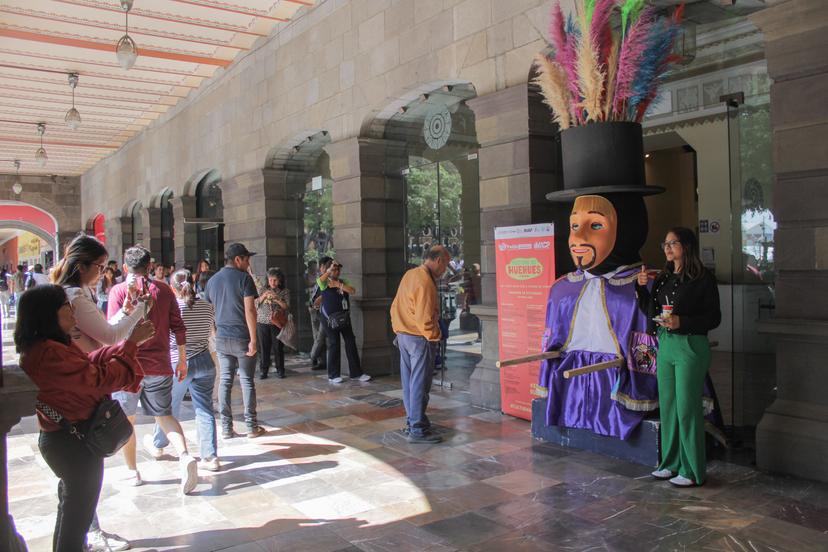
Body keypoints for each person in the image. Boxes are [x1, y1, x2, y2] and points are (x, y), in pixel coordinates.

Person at [16, 284, 155, 552]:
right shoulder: (48, 353)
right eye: (65, 307)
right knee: (76, 517)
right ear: (48, 315)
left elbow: (86, 364)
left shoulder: (49, 347)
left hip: (66, 439)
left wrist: (124, 346)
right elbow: (97, 379)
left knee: (72, 511)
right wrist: (131, 345)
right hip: (71, 443)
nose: (72, 312)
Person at [51, 234, 148, 551]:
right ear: (81, 266)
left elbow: (102, 331)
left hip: (77, 387)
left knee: (78, 485)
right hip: (80, 391)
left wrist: (127, 312)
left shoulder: (73, 294)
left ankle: (84, 534)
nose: (104, 273)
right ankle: (87, 535)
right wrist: (138, 312)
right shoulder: (75, 296)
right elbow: (108, 337)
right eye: (100, 266)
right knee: (83, 482)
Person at [107, 245, 199, 494]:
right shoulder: (165, 290)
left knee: (127, 419)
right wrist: (181, 360)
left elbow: (112, 333)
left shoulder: (117, 291)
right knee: (164, 415)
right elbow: (179, 327)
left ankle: (132, 472)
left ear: (125, 267)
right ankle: (184, 456)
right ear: (149, 267)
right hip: (159, 364)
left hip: (128, 366)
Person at [637, 227, 721, 487]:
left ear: (686, 246)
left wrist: (681, 321)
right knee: (669, 406)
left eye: (673, 243)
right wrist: (641, 289)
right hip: (666, 344)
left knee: (687, 407)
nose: (668, 247)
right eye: (665, 243)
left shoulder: (702, 278)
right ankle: (670, 463)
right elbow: (650, 310)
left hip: (690, 345)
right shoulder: (663, 278)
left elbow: (714, 318)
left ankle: (692, 469)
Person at [147, 270, 220, 472]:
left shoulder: (172, 308)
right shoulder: (207, 306)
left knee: (167, 407)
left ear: (172, 287)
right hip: (204, 360)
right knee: (204, 410)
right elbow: (211, 334)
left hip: (178, 362)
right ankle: (210, 457)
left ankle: (159, 445)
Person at [202, 243, 266, 439]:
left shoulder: (212, 281)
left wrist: (214, 333)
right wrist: (254, 339)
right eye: (246, 259)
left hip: (222, 338)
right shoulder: (244, 279)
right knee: (246, 380)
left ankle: (227, 428)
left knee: (225, 381)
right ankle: (251, 426)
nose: (248, 264)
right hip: (242, 338)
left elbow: (209, 311)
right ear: (238, 259)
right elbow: (250, 310)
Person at [390, 245, 450, 444]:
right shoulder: (425, 281)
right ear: (439, 261)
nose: (446, 269)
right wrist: (434, 335)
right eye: (446, 264)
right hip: (419, 338)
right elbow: (425, 317)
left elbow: (395, 306)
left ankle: (414, 421)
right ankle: (417, 428)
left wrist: (398, 329)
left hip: (404, 335)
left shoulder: (410, 274)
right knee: (420, 384)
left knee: (410, 383)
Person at [316, 259, 371, 384]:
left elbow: (352, 290)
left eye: (338, 269)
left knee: (350, 341)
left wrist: (338, 285)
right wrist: (329, 271)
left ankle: (356, 373)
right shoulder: (324, 282)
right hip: (329, 319)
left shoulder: (342, 282)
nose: (337, 271)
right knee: (334, 343)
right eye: (334, 269)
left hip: (344, 317)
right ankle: (333, 375)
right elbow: (320, 281)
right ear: (329, 270)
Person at [255, 267, 290, 379]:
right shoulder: (262, 290)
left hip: (277, 322)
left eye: (275, 280)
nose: (272, 283)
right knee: (264, 347)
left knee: (278, 347)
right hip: (262, 321)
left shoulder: (284, 291)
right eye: (270, 280)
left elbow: (286, 306)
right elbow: (255, 304)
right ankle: (263, 370)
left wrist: (276, 299)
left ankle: (280, 370)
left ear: (279, 280)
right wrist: (263, 296)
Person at [308, 257, 329, 371]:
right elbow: (314, 294)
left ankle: (313, 357)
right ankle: (320, 361)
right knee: (317, 336)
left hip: (323, 311)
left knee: (320, 337)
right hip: (314, 310)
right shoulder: (319, 278)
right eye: (324, 267)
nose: (325, 269)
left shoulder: (329, 279)